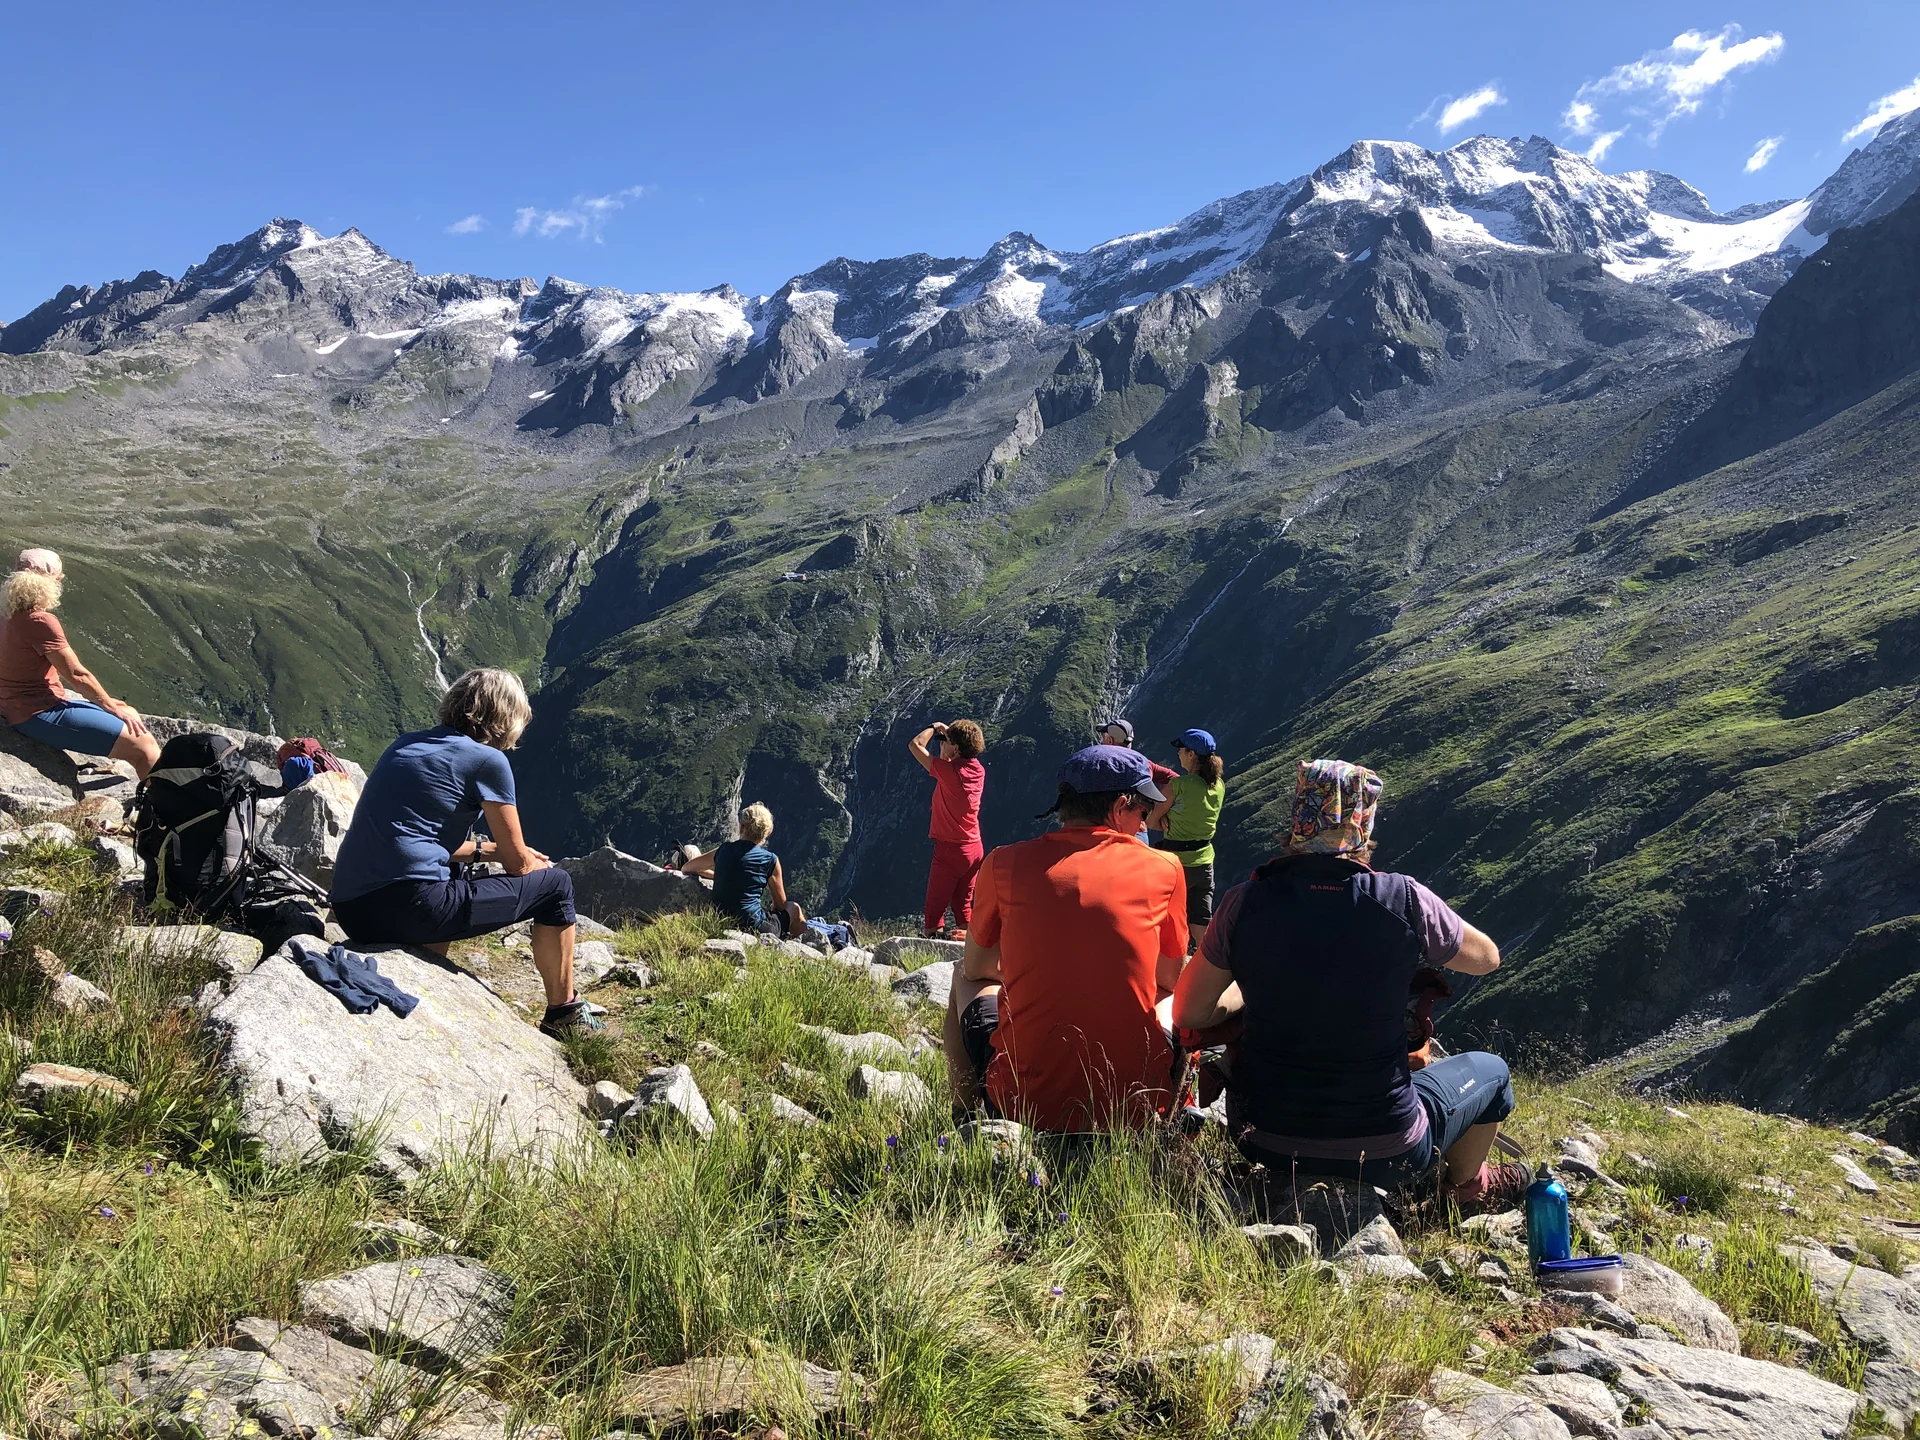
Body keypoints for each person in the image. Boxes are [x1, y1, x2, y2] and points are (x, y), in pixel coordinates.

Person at [1171, 758, 1527, 1210]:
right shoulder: (1403, 899)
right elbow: (1487, 958)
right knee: (1493, 1074)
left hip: (1263, 1138)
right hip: (1387, 1149)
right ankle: (1467, 1190)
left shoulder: (1244, 903)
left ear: (1298, 818)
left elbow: (1188, 1012)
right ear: (1364, 824)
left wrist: (1247, 985)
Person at [329, 667, 597, 1038]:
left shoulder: (405, 744)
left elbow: (420, 838)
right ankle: (564, 1013)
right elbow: (520, 865)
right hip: (410, 907)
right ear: (506, 719)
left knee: (452, 872)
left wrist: (486, 852)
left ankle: (425, 966)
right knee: (557, 887)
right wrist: (524, 859)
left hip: (352, 909)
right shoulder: (488, 761)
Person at [942, 745, 1189, 1131]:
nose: (1144, 824)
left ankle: (970, 1117)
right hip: (1131, 1108)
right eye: (1143, 811)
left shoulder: (1003, 863)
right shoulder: (1166, 868)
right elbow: (1169, 978)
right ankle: (1169, 1118)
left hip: (1022, 1104)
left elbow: (977, 967)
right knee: (1175, 995)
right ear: (1121, 805)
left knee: (962, 978)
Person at [0, 549, 161, 779]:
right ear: (47, 584)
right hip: (37, 712)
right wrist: (110, 706)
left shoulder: (5, 614)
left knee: (129, 712)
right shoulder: (39, 620)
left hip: (15, 706)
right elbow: (77, 675)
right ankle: (160, 809)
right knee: (143, 745)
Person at [678, 802, 806, 938]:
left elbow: (687, 867)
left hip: (720, 919)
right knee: (794, 908)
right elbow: (781, 905)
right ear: (768, 833)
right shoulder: (770, 860)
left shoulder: (724, 849)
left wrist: (720, 876)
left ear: (741, 827)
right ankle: (797, 946)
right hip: (753, 926)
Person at [909, 718, 987, 937]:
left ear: (956, 747)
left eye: (947, 741)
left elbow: (915, 745)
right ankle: (971, 949)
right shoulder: (978, 770)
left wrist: (935, 728)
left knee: (934, 911)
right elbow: (948, 765)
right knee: (963, 907)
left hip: (950, 850)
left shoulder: (950, 773)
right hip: (974, 849)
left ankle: (932, 947)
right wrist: (949, 742)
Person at [1150, 728, 1225, 944]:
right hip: (1205, 861)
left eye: (1181, 750)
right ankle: (1210, 967)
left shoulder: (1177, 786)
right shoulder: (1219, 785)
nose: (1178, 754)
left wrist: (1166, 821)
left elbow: (1151, 821)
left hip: (1176, 863)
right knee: (1200, 920)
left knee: (1168, 919)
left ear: (1191, 754)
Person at [1097, 718, 1177, 842]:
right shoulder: (1144, 764)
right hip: (1139, 834)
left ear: (1110, 740)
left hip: (1109, 833)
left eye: (1104, 738)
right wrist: (1161, 812)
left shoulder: (1098, 765)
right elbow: (1174, 779)